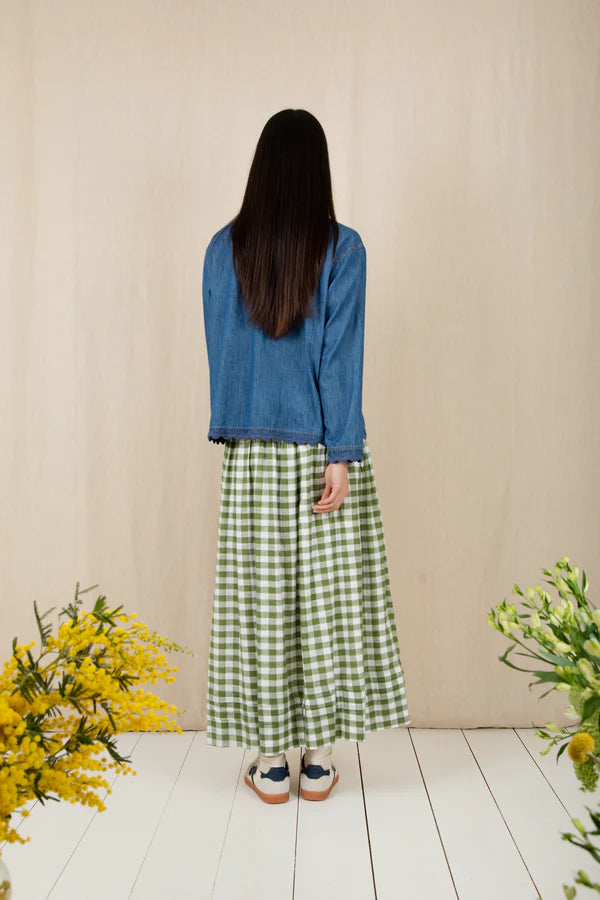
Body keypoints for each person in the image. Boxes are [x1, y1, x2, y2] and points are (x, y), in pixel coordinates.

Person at [202, 108, 410, 805]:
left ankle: (269, 760)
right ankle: (317, 759)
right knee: (323, 606)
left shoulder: (220, 250)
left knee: (261, 602)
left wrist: (237, 426)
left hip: (253, 455)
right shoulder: (343, 248)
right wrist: (341, 451)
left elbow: (225, 354)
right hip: (323, 446)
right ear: (317, 169)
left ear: (261, 168)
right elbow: (339, 357)